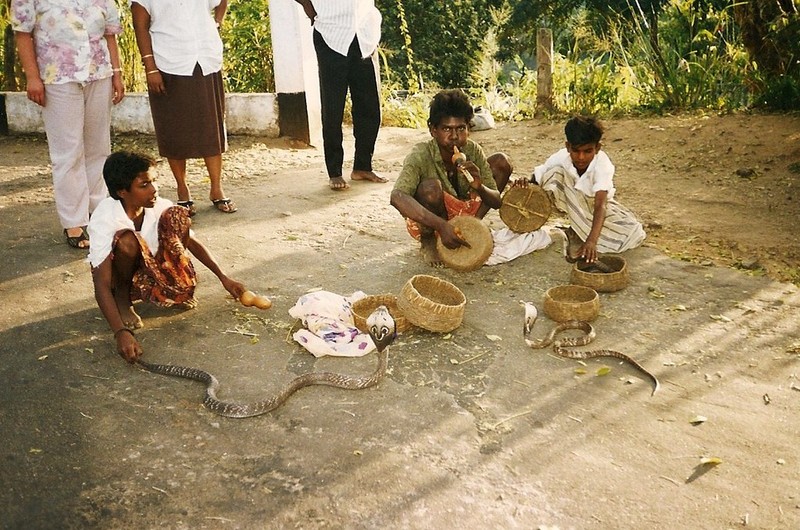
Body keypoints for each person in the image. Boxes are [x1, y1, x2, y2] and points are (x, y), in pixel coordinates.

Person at [87, 151, 246, 363]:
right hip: (121, 276)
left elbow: (192, 243)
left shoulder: (158, 205)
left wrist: (224, 277)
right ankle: (123, 301)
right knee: (127, 241)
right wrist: (120, 333)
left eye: (154, 181)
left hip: (151, 267)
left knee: (176, 216)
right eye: (144, 185)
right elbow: (101, 283)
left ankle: (170, 288)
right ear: (122, 192)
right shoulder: (105, 218)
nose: (154, 189)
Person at [11, 0, 125, 249]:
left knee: (99, 148)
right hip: (57, 77)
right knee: (68, 152)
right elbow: (23, 34)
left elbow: (110, 35)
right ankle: (74, 221)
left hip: (99, 74)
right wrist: (32, 77)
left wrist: (117, 73)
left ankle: (98, 212)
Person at [130, 0, 236, 215]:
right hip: (169, 62)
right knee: (174, 129)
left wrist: (216, 23)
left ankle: (216, 188)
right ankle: (183, 191)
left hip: (205, 59)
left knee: (211, 128)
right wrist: (150, 68)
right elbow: (140, 26)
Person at [390, 89, 513, 265]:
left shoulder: (472, 150)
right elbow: (397, 197)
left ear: (469, 128)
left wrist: (479, 187)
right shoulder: (421, 153)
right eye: (447, 129)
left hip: (464, 211)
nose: (454, 137)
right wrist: (441, 226)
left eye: (461, 129)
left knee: (502, 162)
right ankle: (429, 241)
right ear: (433, 130)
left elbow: (496, 201)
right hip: (433, 221)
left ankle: (471, 225)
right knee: (430, 188)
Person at [524, 115, 646, 264]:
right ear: (568, 146)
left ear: (597, 148)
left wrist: (591, 241)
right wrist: (525, 185)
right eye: (576, 151)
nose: (581, 157)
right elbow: (538, 176)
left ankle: (578, 231)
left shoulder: (603, 165)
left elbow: (600, 205)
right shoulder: (562, 156)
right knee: (554, 174)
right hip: (575, 203)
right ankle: (577, 229)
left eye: (588, 151)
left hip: (596, 206)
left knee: (627, 234)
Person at [293, 0, 387, 191]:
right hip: (331, 33)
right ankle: (334, 171)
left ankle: (362, 166)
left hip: (364, 33)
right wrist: (307, 6)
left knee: (370, 107)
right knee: (333, 107)